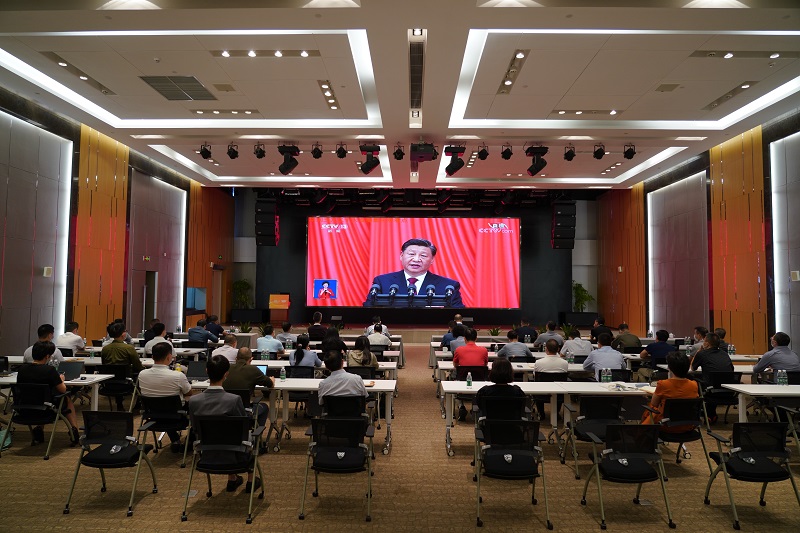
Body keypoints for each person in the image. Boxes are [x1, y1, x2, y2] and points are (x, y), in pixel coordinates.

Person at [187, 355, 259, 493]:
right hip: (235, 454)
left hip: (207, 453)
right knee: (252, 436)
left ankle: (232, 479)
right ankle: (250, 480)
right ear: (226, 374)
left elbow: (195, 428)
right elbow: (242, 429)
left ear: (206, 371)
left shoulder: (194, 401)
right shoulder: (234, 400)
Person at [363, 238, 464, 308]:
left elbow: (459, 316)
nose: (416, 259)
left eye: (423, 256)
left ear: (432, 259)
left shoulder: (448, 286)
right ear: (401, 256)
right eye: (411, 254)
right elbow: (368, 310)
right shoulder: (382, 282)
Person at [17, 341, 80, 444]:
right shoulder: (49, 370)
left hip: (24, 408)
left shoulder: (22, 369)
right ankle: (74, 430)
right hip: (46, 410)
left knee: (41, 398)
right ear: (47, 356)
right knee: (66, 398)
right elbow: (63, 389)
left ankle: (39, 429)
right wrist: (61, 380)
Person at [136, 342, 194, 452]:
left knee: (164, 405)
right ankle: (191, 439)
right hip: (178, 417)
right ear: (169, 357)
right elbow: (189, 393)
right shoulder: (178, 375)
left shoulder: (142, 374)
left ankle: (175, 440)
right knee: (195, 406)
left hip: (153, 416)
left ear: (152, 357)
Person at [642, 351, 699, 432]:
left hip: (665, 426)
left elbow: (654, 403)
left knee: (650, 408)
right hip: (688, 426)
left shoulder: (663, 384)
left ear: (670, 368)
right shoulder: (694, 384)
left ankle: (641, 433)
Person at [223, 347, 273, 428]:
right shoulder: (253, 369)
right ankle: (256, 432)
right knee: (264, 407)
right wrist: (272, 380)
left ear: (236, 358)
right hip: (244, 411)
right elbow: (270, 384)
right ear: (251, 359)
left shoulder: (226, 369)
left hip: (225, 409)